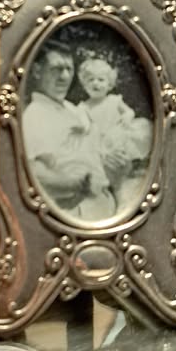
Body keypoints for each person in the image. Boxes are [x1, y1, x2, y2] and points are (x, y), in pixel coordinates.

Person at [22, 41, 118, 221]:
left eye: (69, 69)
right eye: (56, 69)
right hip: (75, 212)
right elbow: (35, 174)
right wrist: (80, 184)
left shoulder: (75, 109)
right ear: (37, 71)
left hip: (105, 206)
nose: (65, 76)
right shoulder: (35, 114)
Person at [77, 57, 153, 210]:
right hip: (98, 145)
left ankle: (121, 200)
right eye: (91, 80)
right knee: (100, 178)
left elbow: (129, 112)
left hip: (117, 140)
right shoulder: (83, 107)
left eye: (101, 80)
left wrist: (127, 117)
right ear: (84, 84)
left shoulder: (114, 100)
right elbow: (84, 128)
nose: (96, 83)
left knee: (120, 173)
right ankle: (106, 201)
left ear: (109, 84)